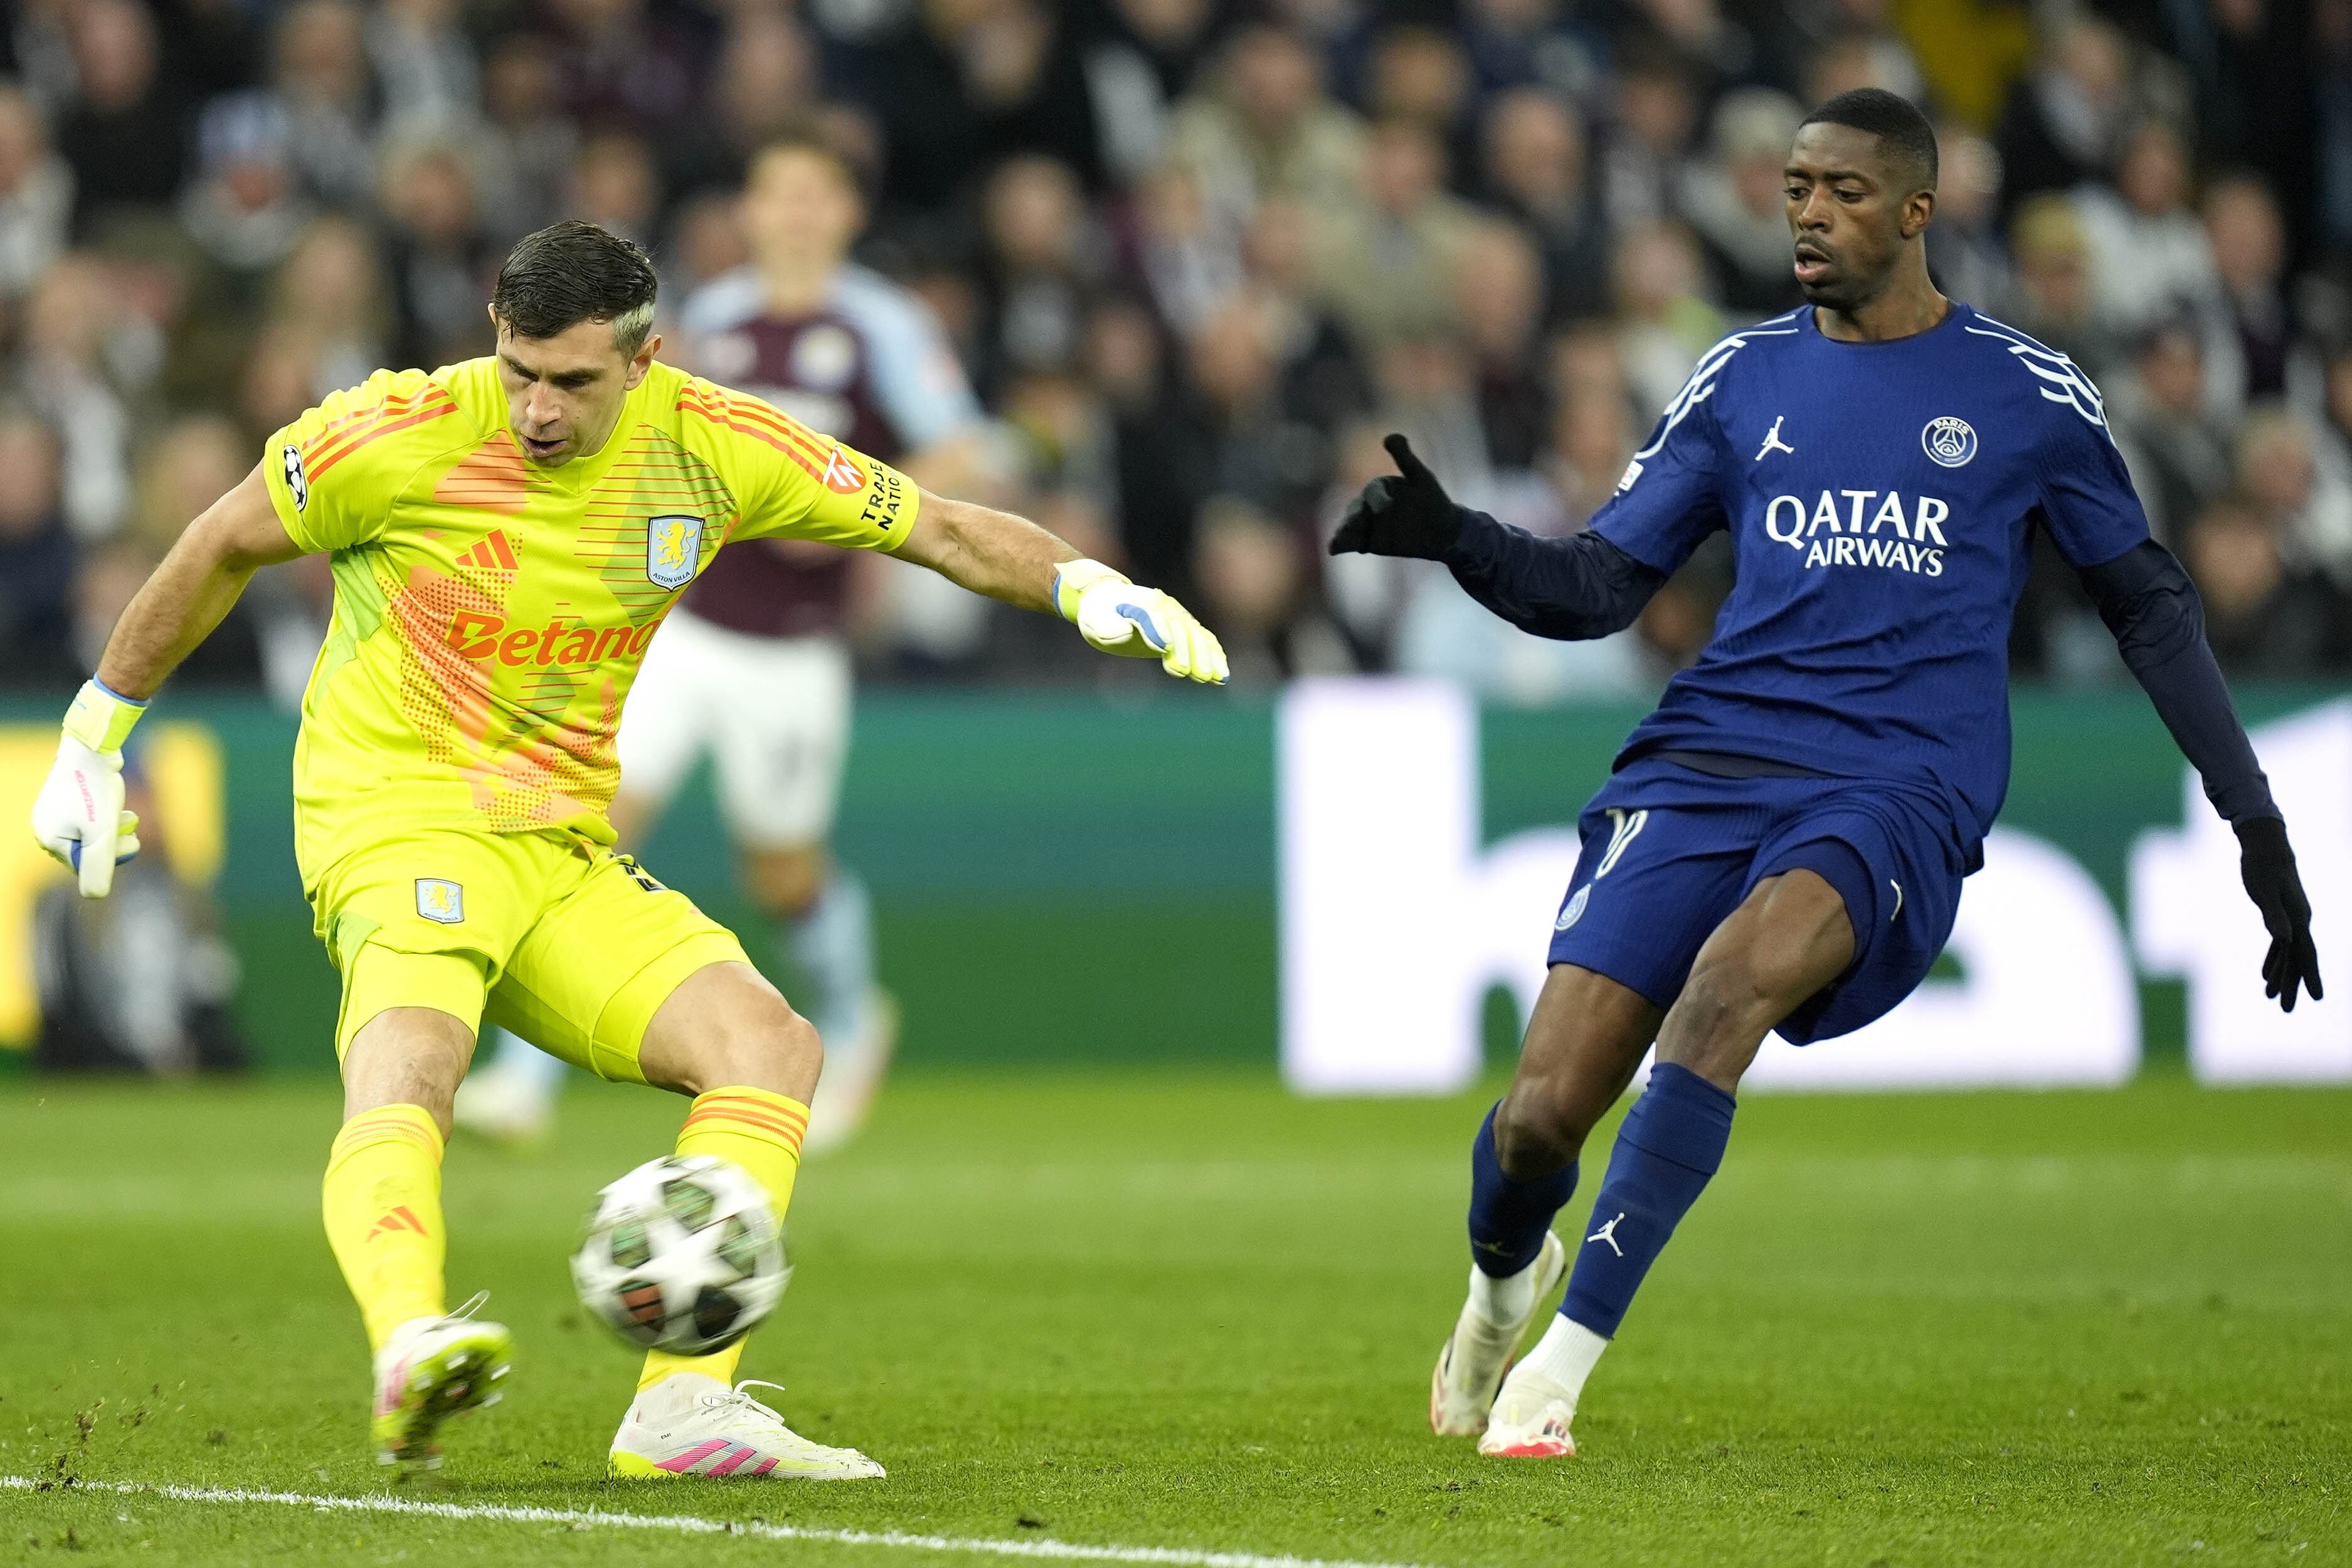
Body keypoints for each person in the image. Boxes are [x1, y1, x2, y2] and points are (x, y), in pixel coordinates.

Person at [28, 221, 1224, 1478]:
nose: (538, 408)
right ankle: (407, 1341)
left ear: (647, 357)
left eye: (575, 381)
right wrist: (96, 733)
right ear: (495, 326)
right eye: (521, 368)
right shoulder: (397, 430)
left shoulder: (715, 446)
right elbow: (221, 538)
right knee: (419, 1057)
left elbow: (933, 526)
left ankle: (682, 1408)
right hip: (397, 807)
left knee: (771, 1046)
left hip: (558, 841)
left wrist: (1091, 584)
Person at [1329, 89, 2321, 1460]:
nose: (1808, 210)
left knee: (1734, 981)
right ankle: (1508, 1278)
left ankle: (1560, 1368)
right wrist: (1459, 536)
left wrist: (2252, 814)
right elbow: (1603, 582)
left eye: (1844, 190)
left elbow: (2146, 604)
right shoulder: (1741, 378)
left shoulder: (2027, 394)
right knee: (1543, 1112)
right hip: (1716, 750)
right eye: (1796, 186)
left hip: (1901, 776)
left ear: (1919, 210)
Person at [455, 134, 990, 1152]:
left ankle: (853, 1014)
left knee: (782, 874)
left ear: (844, 212)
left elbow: (960, 448)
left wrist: (845, 509)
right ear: (748, 210)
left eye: (811, 195)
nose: (791, 214)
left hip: (795, 654)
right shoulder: (710, 321)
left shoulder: (881, 323)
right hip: (684, 632)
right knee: (586, 831)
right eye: (773, 194)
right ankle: (523, 1079)